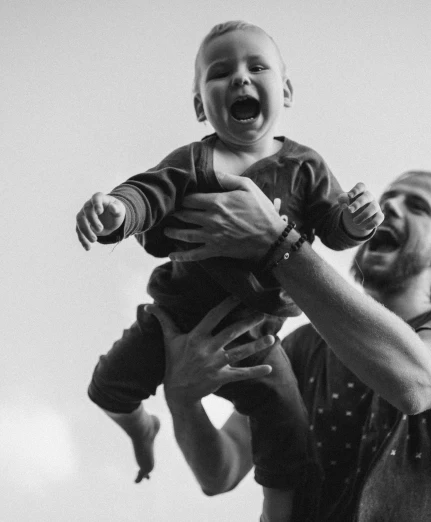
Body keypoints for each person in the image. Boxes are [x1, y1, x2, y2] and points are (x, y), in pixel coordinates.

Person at [74, 21, 380, 520]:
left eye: (256, 66)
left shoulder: (304, 167)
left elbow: (331, 227)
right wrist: (117, 213)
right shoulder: (193, 161)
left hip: (255, 339)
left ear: (285, 91)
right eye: (220, 73)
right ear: (200, 106)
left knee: (288, 431)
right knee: (107, 387)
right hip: (172, 321)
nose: (240, 79)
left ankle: (276, 514)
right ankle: (140, 429)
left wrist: (355, 220)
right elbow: (147, 195)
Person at [152, 170, 431, 521]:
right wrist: (183, 400)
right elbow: (220, 470)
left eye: (418, 206)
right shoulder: (301, 348)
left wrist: (278, 245)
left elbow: (418, 382)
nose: (392, 208)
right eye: (387, 199)